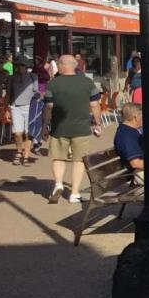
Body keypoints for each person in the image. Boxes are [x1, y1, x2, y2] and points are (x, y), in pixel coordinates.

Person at [42, 54, 102, 203]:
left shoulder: (53, 84)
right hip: (81, 128)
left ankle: (58, 183)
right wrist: (98, 123)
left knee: (58, 157)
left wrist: (44, 126)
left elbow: (49, 107)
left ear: (62, 66)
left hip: (58, 128)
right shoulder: (87, 82)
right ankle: (74, 193)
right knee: (79, 160)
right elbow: (95, 105)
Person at [112, 103, 149, 182]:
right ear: (135, 117)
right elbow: (135, 163)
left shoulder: (130, 131)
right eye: (143, 116)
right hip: (138, 173)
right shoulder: (126, 135)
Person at [7, 58, 37, 166]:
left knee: (28, 133)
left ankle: (26, 155)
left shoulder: (33, 77)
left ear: (26, 67)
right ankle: (19, 151)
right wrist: (7, 109)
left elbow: (38, 91)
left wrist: (41, 99)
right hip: (15, 107)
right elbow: (8, 94)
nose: (19, 68)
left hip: (30, 107)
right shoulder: (11, 78)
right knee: (17, 133)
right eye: (17, 66)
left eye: (22, 65)